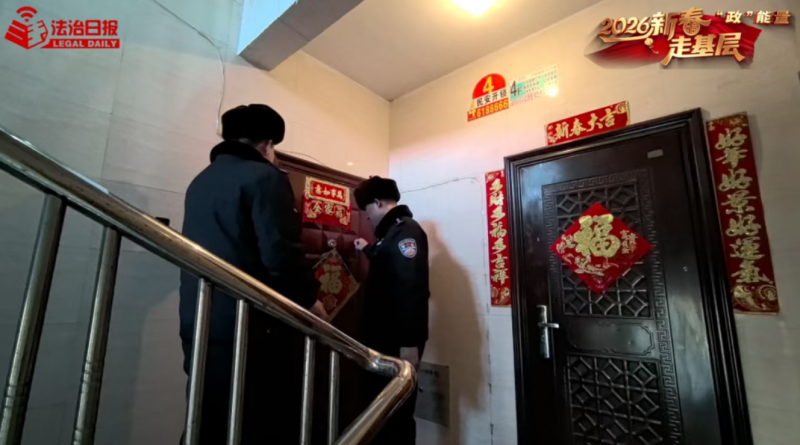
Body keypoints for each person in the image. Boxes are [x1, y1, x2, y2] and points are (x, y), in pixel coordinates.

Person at [179, 104, 327, 444]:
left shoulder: (199, 182)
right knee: (254, 424)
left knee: (207, 420)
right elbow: (281, 254)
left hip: (199, 323)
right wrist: (310, 302)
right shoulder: (265, 177)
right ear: (268, 145)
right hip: (250, 330)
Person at [353, 176, 430, 444]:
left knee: (396, 413)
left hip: (397, 341)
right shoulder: (391, 234)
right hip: (383, 339)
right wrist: (368, 249)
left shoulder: (406, 232)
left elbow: (411, 288)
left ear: (377, 203)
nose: (367, 217)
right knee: (382, 411)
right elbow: (389, 267)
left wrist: (409, 344)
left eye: (367, 210)